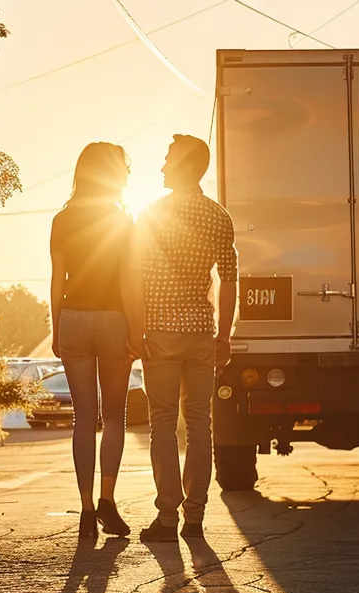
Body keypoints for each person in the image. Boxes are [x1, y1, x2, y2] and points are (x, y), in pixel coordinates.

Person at [124, 135, 238, 542]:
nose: (161, 167)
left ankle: (167, 518)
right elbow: (229, 278)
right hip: (200, 334)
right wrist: (223, 336)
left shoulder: (152, 214)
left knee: (163, 424)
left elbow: (133, 277)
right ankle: (195, 516)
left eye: (168, 159)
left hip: (160, 332)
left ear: (185, 165)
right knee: (199, 425)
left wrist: (137, 330)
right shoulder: (218, 216)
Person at [49, 142, 134, 539]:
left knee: (84, 417)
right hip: (115, 319)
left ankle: (85, 512)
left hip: (73, 319)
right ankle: (107, 501)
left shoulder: (62, 220)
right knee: (114, 416)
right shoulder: (123, 221)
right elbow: (128, 280)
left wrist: (56, 325)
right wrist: (136, 327)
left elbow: (57, 279)